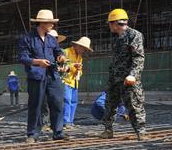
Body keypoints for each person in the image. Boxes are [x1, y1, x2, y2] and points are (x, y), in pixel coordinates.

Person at [18, 10, 69, 143]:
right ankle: (32, 134)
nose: (52, 25)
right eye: (50, 22)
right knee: (36, 105)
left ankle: (58, 132)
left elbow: (58, 52)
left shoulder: (52, 39)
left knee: (57, 102)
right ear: (43, 23)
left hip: (52, 74)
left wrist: (61, 57)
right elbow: (23, 58)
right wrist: (38, 62)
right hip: (36, 76)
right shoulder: (27, 38)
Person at [101, 9, 147, 139]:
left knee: (134, 104)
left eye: (110, 23)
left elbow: (138, 57)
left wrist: (133, 74)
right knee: (110, 103)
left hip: (128, 78)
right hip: (114, 77)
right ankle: (108, 130)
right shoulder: (116, 38)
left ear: (115, 23)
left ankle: (141, 131)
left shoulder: (134, 35)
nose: (109, 26)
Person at [62, 36, 93, 128]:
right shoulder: (66, 52)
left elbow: (80, 70)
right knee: (67, 100)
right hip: (65, 81)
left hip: (74, 82)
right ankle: (65, 121)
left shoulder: (79, 56)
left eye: (85, 49)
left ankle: (70, 121)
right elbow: (62, 67)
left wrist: (79, 70)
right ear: (77, 46)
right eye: (83, 48)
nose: (83, 50)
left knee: (74, 101)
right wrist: (73, 66)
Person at [40, 29, 66, 131]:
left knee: (56, 103)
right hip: (43, 78)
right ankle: (44, 123)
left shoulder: (60, 52)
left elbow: (65, 65)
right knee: (44, 103)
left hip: (56, 79)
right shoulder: (43, 50)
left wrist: (62, 68)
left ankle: (56, 126)